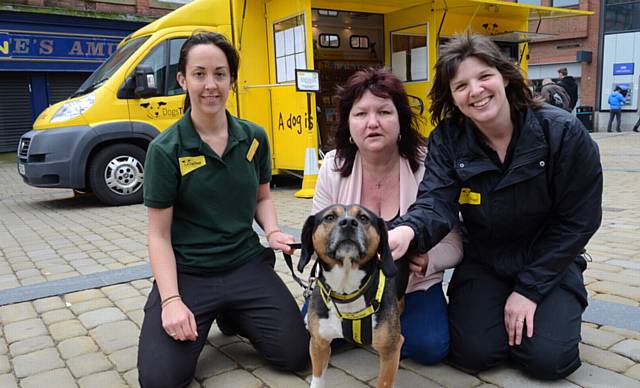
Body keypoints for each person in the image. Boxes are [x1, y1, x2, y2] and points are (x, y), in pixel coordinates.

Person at [388, 33, 602, 380]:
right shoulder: (447, 139)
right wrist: (408, 229)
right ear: (452, 97)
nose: (475, 90)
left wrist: (529, 290)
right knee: (474, 354)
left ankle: (547, 315)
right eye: (461, 85)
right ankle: (506, 319)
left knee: (547, 361)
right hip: (485, 259)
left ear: (504, 76)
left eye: (483, 76)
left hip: (548, 259)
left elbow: (579, 221)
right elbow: (435, 201)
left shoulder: (562, 132)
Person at [137, 32, 308, 387]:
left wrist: (273, 231)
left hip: (244, 264)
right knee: (160, 381)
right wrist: (170, 300)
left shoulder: (254, 137)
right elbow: (158, 235)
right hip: (189, 275)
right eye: (199, 74)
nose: (210, 85)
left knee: (295, 355)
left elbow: (262, 198)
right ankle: (205, 310)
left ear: (232, 79)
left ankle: (232, 314)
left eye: (220, 74)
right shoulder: (165, 150)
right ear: (183, 79)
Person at [312, 67, 463, 365]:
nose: (372, 123)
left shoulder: (428, 165)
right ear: (348, 124)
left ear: (401, 119)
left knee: (430, 348)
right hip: (346, 285)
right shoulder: (332, 166)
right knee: (305, 334)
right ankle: (369, 333)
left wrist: (430, 260)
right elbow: (320, 238)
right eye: (360, 114)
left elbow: (456, 244)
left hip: (413, 285)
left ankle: (365, 334)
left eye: (384, 112)